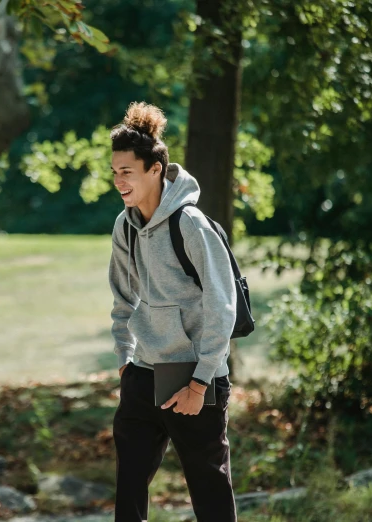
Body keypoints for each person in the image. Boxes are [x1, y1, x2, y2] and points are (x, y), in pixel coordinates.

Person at [108, 103, 238, 522]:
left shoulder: (191, 224)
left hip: (193, 380)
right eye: (114, 172)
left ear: (156, 170)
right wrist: (125, 361)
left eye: (127, 171)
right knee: (128, 487)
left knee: (209, 491)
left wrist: (200, 384)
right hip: (144, 374)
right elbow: (122, 299)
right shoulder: (124, 226)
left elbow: (223, 306)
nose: (118, 181)